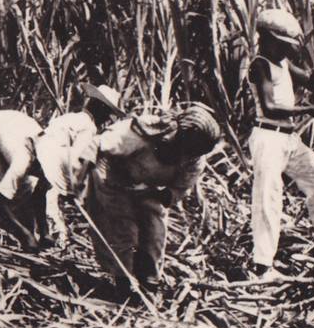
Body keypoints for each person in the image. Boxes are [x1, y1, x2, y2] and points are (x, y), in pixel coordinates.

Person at [245, 8, 314, 281]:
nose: (285, 50)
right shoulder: (260, 64)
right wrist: (310, 110)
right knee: (268, 199)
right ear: (267, 38)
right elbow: (268, 107)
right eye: (282, 44)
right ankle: (263, 266)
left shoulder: (283, 64)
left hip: (289, 140)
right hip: (268, 138)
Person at [83, 103, 221, 297]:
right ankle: (122, 283)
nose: (187, 156)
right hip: (113, 177)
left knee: (155, 231)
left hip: (149, 189)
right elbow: (97, 146)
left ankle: (149, 284)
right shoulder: (142, 131)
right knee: (122, 230)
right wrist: (81, 178)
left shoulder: (196, 156)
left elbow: (179, 188)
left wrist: (153, 195)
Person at [0, 110, 66, 252]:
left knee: (25, 195)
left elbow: (39, 194)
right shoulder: (21, 160)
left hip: (10, 129)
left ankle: (31, 237)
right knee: (5, 197)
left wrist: (45, 233)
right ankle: (23, 238)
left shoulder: (52, 159)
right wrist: (24, 235)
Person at [35, 83, 124, 201]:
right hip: (52, 162)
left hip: (38, 148)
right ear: (100, 109)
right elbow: (76, 160)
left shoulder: (73, 116)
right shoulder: (89, 127)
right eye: (107, 114)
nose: (107, 119)